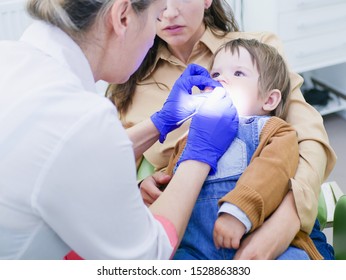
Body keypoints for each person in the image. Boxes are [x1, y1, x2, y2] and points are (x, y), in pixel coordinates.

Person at [0, 0, 240, 260]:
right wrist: (198, 156)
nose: (153, 38)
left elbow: (76, 157)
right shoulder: (82, 118)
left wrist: (159, 123)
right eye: (157, 16)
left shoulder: (12, 58)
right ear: (123, 16)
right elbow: (147, 258)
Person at [107, 0, 337, 259]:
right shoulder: (126, 78)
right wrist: (143, 187)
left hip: (272, 218)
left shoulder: (257, 47)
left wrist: (283, 224)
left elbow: (309, 139)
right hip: (188, 234)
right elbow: (108, 176)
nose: (169, 13)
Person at [166, 38, 322, 260]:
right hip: (194, 250)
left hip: (260, 242)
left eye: (238, 73)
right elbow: (176, 179)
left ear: (269, 100)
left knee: (295, 261)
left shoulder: (273, 130)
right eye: (216, 75)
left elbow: (273, 171)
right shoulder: (190, 135)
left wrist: (238, 212)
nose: (222, 80)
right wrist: (158, 185)